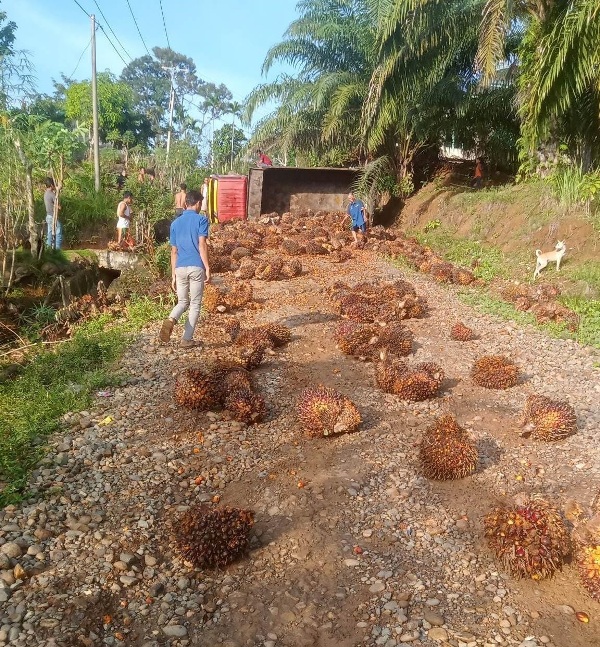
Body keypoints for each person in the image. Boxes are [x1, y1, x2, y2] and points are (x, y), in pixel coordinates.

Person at [159, 190, 211, 349]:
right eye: (200, 203)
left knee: (182, 302)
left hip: (180, 267)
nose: (200, 206)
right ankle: (186, 339)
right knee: (195, 304)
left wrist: (173, 275)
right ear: (196, 203)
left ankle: (171, 319)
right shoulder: (202, 220)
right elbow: (202, 245)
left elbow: (173, 251)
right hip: (195, 267)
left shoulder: (175, 223)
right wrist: (207, 268)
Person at [43, 177, 62, 250]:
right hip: (53, 216)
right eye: (54, 185)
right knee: (58, 233)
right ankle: (57, 251)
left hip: (48, 216)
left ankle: (48, 249)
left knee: (49, 234)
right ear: (51, 185)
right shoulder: (52, 194)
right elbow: (59, 207)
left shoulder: (46, 194)